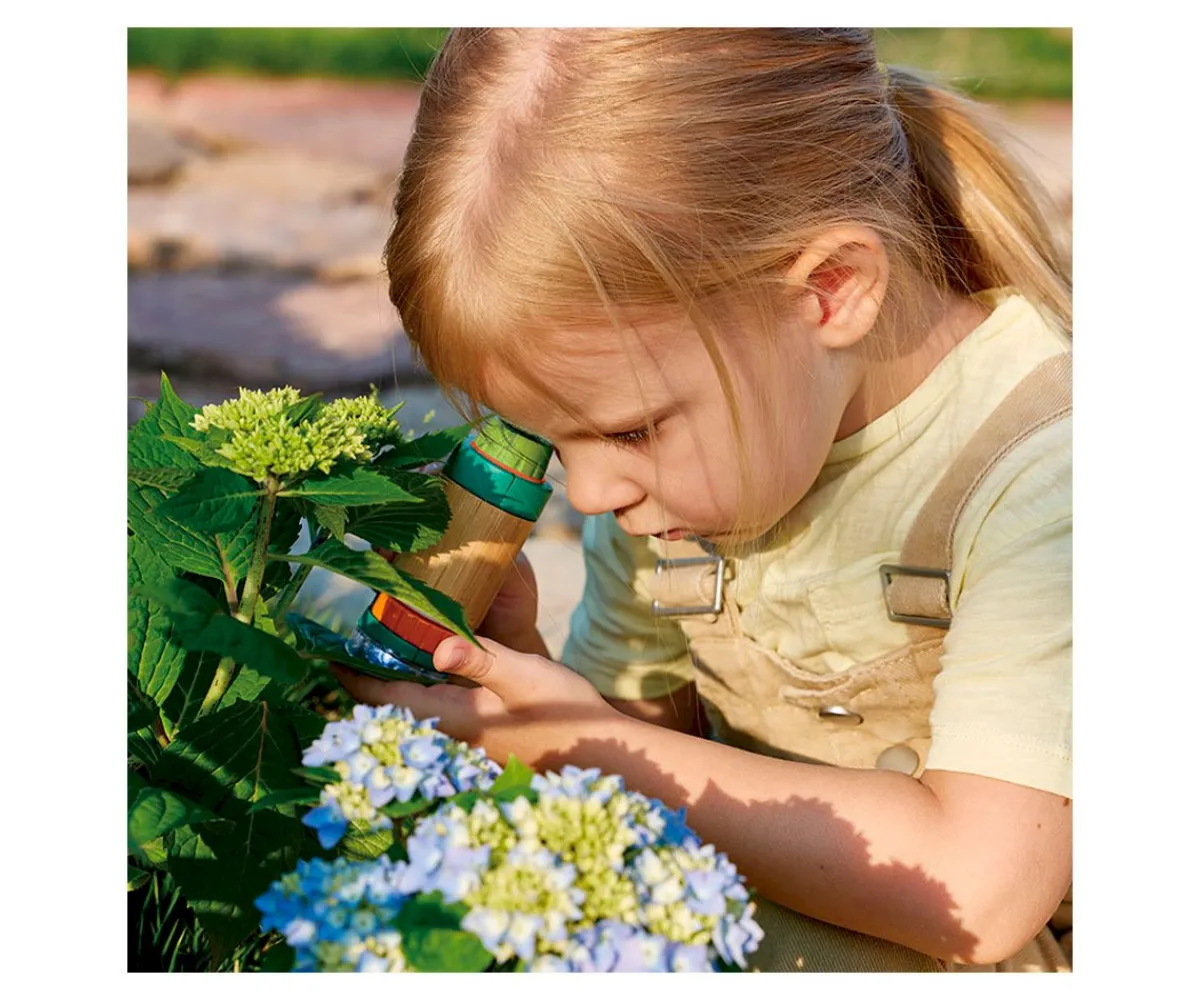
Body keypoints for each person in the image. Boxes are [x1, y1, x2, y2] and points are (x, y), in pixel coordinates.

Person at [336, 28, 1072, 972]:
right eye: (555, 440)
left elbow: (980, 891)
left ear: (830, 290)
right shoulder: (685, 488)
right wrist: (529, 689)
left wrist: (577, 744)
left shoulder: (1049, 474)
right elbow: (652, 757)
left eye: (631, 430)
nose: (589, 493)